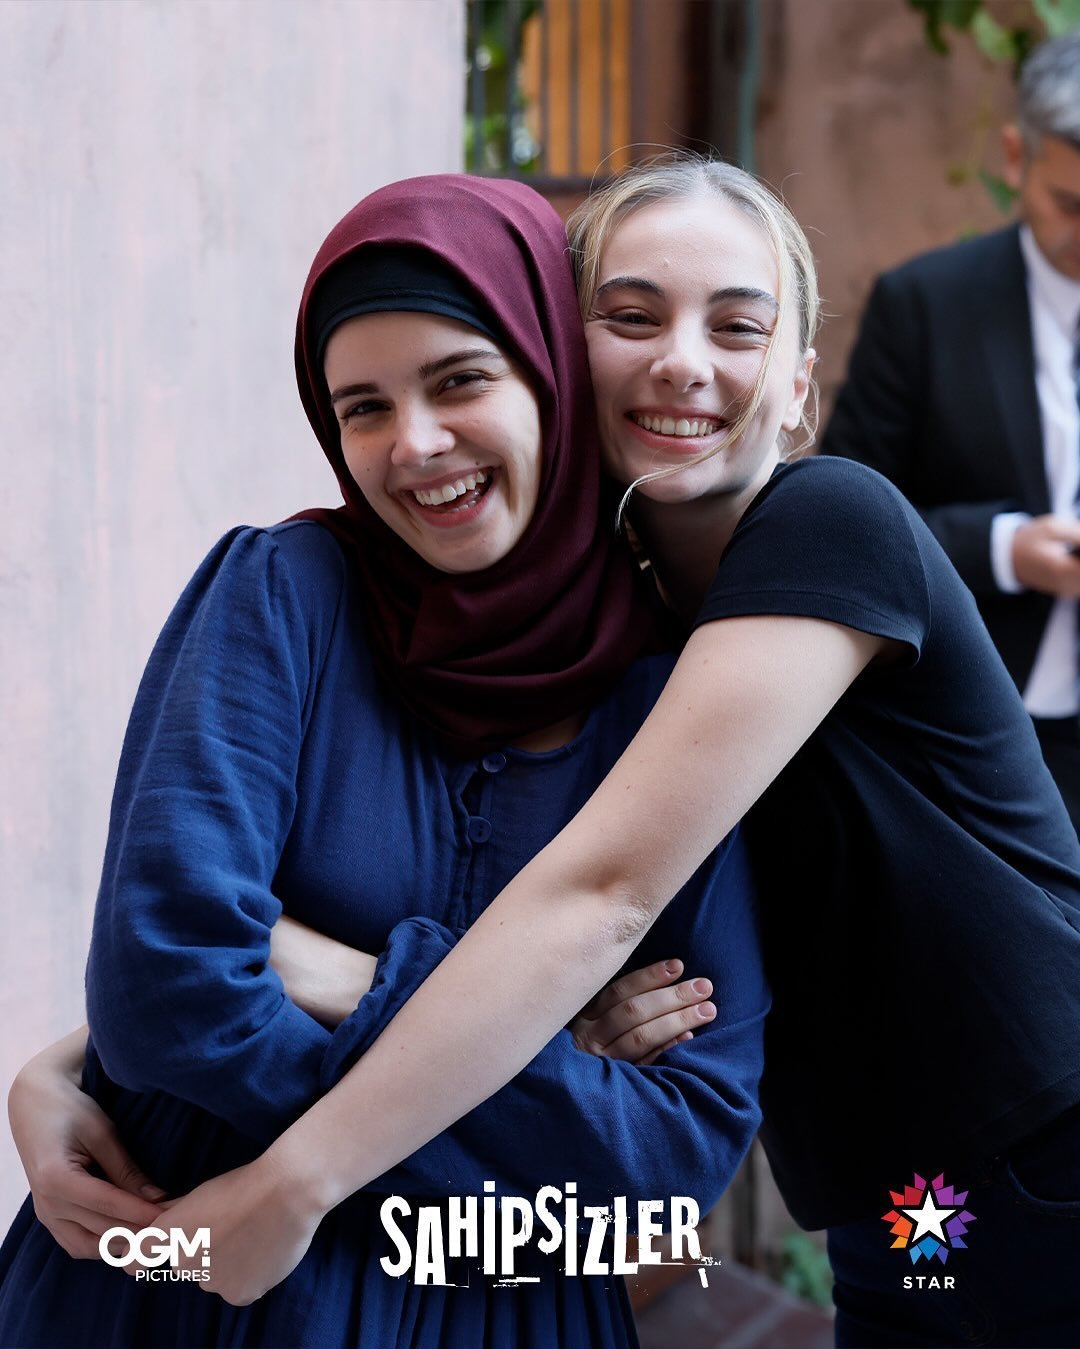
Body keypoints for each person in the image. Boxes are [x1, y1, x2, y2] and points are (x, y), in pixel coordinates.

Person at [14, 156, 1080, 1345]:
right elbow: (178, 963)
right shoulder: (636, 617)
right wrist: (75, 1057)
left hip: (1035, 1141)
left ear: (797, 385)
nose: (682, 360)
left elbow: (605, 906)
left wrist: (300, 1162)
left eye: (738, 325)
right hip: (903, 1180)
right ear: (567, 355)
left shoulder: (825, 527)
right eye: (632, 316)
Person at [0, 173, 768, 1349]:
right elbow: (161, 985)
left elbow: (673, 1156)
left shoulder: (675, 699)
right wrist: (534, 1038)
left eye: (460, 380)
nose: (414, 444)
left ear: (550, 379)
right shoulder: (281, 595)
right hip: (183, 1282)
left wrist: (323, 976)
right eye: (363, 406)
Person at [821, 28, 1080, 830]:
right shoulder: (923, 306)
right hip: (965, 738)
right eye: (1071, 205)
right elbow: (844, 522)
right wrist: (1004, 549)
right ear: (1016, 156)